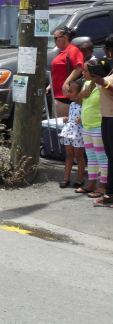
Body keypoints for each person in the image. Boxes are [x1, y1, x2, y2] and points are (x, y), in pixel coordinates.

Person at [89, 34, 113, 206]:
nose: (106, 52)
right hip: (106, 116)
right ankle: (110, 193)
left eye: (108, 49)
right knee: (110, 155)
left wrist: (103, 82)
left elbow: (109, 85)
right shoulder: (109, 67)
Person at [78, 65, 107, 197]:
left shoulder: (103, 86)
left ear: (94, 73)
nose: (83, 72)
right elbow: (79, 102)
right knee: (91, 157)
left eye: (86, 70)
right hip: (86, 126)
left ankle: (103, 185)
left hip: (98, 126)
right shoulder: (87, 84)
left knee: (102, 158)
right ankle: (92, 183)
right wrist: (81, 95)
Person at [48, 26, 84, 118]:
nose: (54, 41)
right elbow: (59, 72)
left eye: (56, 38)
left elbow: (79, 68)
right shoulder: (63, 51)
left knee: (59, 127)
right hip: (57, 94)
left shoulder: (73, 50)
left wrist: (67, 82)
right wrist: (51, 85)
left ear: (65, 37)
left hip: (65, 95)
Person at [59, 81, 86, 189]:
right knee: (69, 156)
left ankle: (80, 179)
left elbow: (88, 118)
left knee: (79, 156)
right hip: (69, 131)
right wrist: (66, 119)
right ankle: (66, 178)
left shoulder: (84, 105)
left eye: (71, 91)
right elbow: (70, 116)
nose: (68, 93)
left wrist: (81, 120)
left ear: (80, 93)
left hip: (78, 133)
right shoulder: (72, 104)